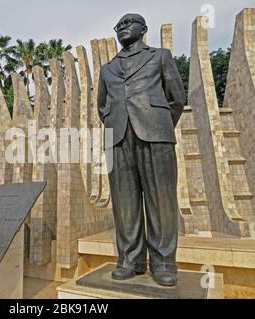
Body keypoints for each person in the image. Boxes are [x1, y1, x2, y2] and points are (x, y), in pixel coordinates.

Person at [97, 13, 186, 286]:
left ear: (143, 29)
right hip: (117, 137)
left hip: (156, 134)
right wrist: (117, 123)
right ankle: (130, 260)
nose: (123, 27)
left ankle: (163, 262)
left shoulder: (160, 56)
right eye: (119, 25)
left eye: (129, 22)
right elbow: (102, 107)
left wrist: (158, 123)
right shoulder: (107, 68)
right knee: (124, 202)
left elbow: (177, 98)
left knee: (161, 199)